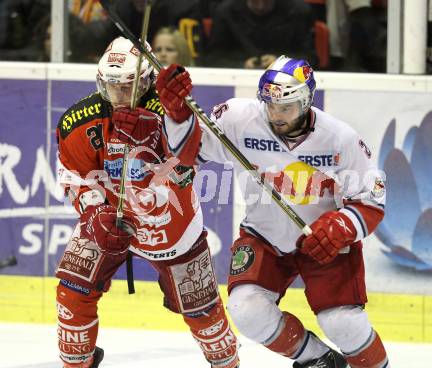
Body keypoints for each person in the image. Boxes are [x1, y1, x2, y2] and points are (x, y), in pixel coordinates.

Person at [156, 57, 389, 367]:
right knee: (247, 311)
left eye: (286, 107)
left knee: (342, 323)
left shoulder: (339, 138)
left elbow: (371, 199)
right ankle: (320, 360)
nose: (276, 115)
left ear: (306, 101)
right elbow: (188, 153)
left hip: (324, 243)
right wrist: (177, 114)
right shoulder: (238, 119)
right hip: (264, 235)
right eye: (270, 105)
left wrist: (339, 227)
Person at [54, 36, 239, 368]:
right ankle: (76, 363)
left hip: (171, 227)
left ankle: (227, 364)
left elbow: (189, 163)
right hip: (110, 218)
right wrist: (95, 212)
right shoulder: (78, 121)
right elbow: (72, 175)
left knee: (203, 314)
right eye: (110, 86)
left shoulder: (170, 111)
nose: (117, 96)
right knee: (72, 290)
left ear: (145, 81)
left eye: (125, 87)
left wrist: (170, 121)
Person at [203, 0, 316, 69]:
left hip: (286, 80)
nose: (260, 6)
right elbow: (212, 57)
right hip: (239, 74)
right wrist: (242, 64)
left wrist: (280, 63)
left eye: (266, 1)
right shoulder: (225, 11)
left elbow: (310, 58)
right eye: (255, 1)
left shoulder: (298, 11)